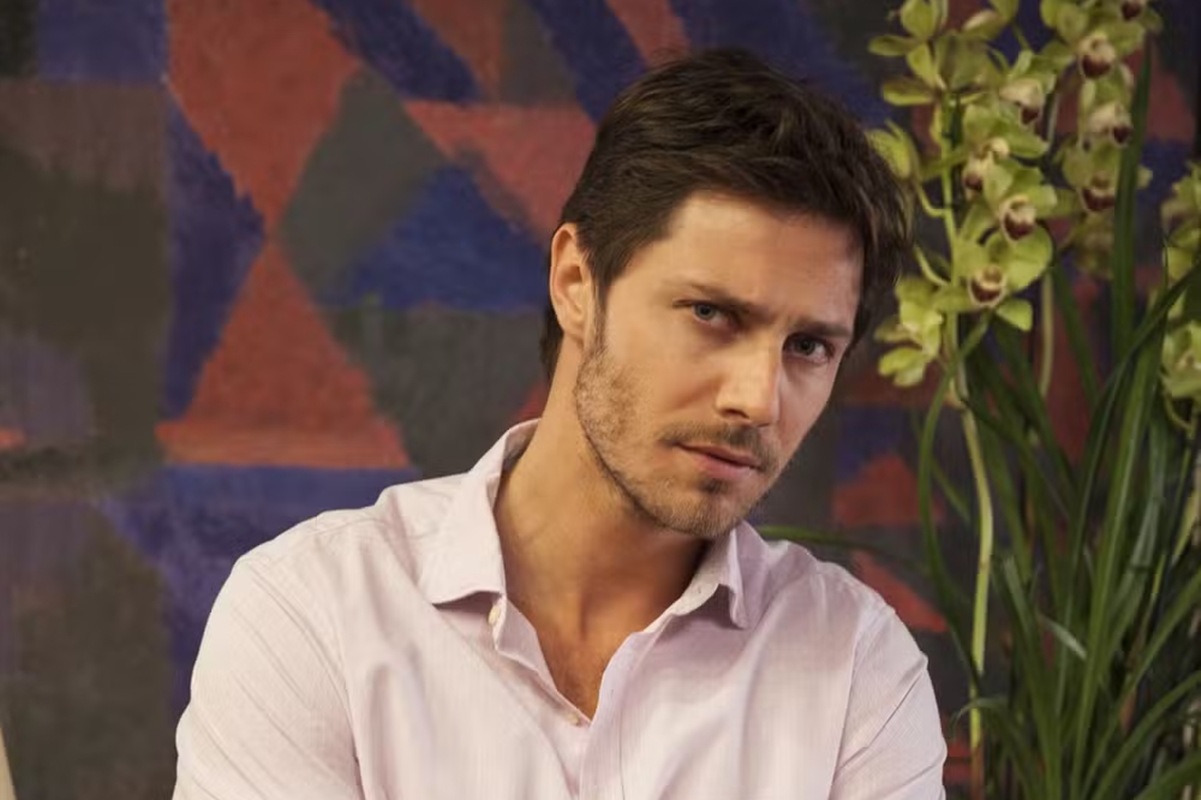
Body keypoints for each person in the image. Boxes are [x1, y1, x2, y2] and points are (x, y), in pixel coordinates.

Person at [172, 48, 946, 799]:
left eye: (807, 347)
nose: (758, 400)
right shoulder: (314, 614)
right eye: (710, 314)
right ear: (577, 282)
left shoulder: (854, 667)